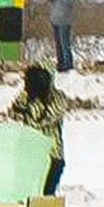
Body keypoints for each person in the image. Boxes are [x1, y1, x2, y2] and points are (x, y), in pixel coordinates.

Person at [8, 65, 69, 195]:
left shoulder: (58, 98)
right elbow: (13, 113)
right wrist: (27, 98)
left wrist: (32, 105)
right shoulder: (26, 96)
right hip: (29, 152)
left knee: (45, 197)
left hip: (52, 155)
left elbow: (43, 119)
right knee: (24, 194)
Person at [49, 0, 78, 73]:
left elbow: (69, 2)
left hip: (65, 21)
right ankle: (60, 64)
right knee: (58, 45)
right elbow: (50, 0)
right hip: (55, 20)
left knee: (64, 44)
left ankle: (68, 65)